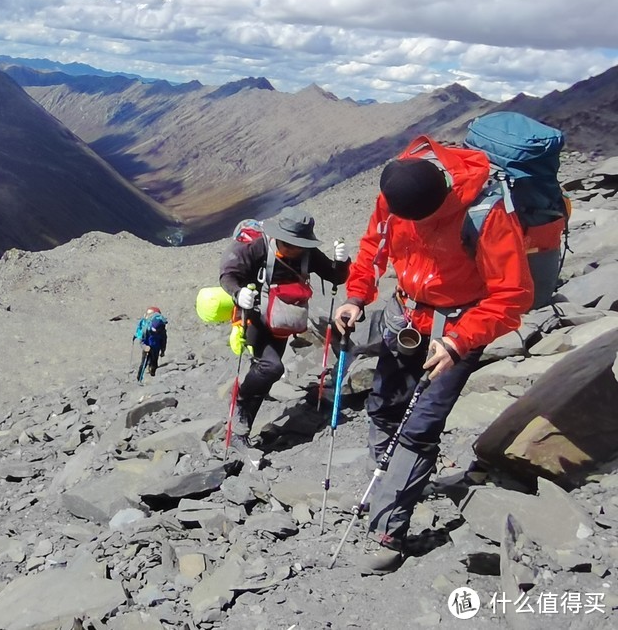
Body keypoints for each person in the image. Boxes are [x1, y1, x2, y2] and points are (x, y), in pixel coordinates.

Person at [334, 136, 532, 572]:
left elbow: (513, 295)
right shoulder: (399, 190)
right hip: (405, 315)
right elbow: (374, 247)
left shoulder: (485, 212)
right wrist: (357, 296)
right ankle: (385, 485)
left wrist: (458, 341)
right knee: (384, 409)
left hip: (459, 326)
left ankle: (390, 529)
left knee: (419, 426)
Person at [220, 206, 350, 448]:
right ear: (278, 236)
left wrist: (342, 262)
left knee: (264, 374)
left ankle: (241, 432)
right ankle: (239, 401)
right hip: (255, 317)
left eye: (298, 244)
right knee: (271, 367)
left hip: (281, 323)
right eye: (290, 244)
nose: (294, 250)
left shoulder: (307, 252)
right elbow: (228, 273)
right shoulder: (256, 246)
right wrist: (238, 294)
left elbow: (334, 276)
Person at [133, 307, 168, 379]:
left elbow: (142, 339)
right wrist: (162, 351)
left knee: (148, 363)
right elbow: (164, 340)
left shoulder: (148, 326)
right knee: (149, 363)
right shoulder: (160, 328)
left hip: (150, 347)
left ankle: (143, 377)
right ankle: (147, 376)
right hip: (154, 347)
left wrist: (144, 347)